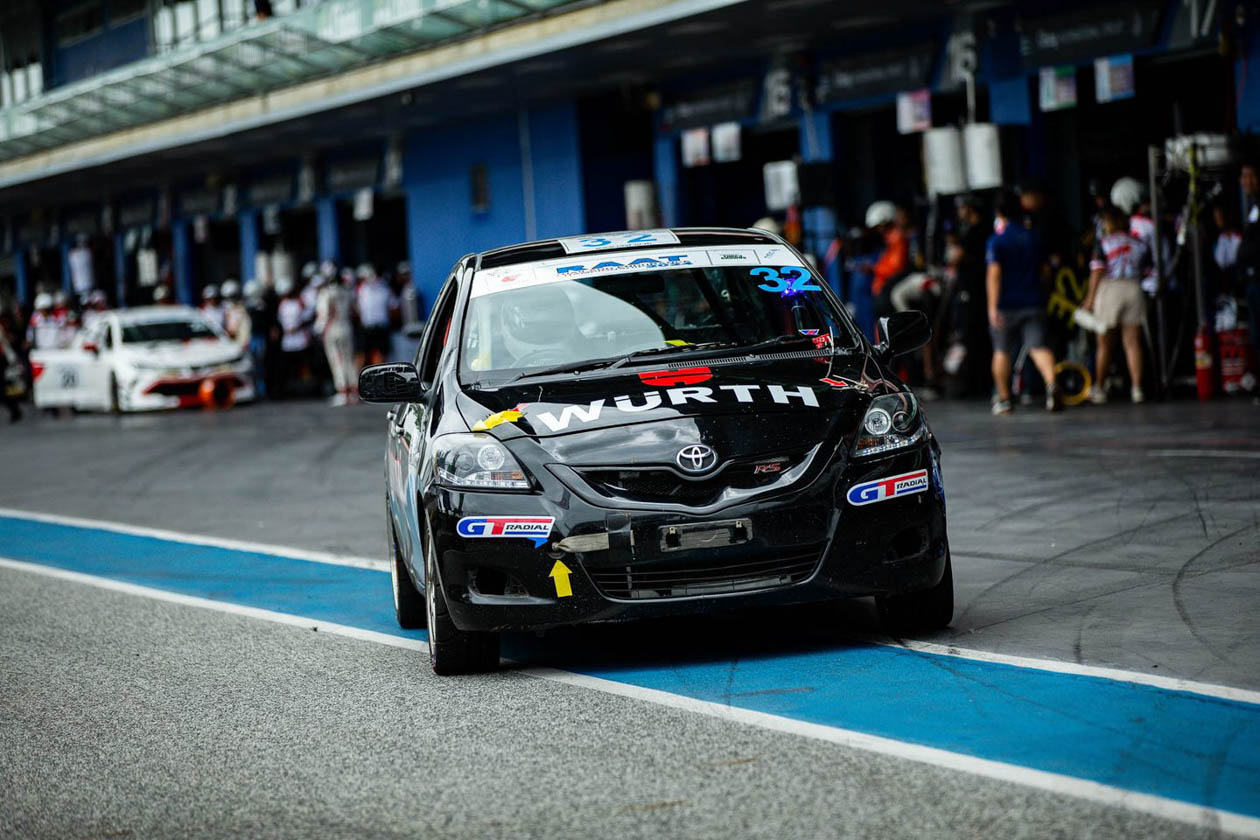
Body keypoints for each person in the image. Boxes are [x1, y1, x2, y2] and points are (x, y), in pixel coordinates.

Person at [985, 193, 1060, 415]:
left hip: (1006, 305)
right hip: (1034, 301)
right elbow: (1045, 271)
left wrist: (992, 307)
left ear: (1000, 213)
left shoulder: (997, 241)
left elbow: (994, 275)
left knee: (1001, 350)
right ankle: (1051, 384)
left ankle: (1004, 400)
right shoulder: (1034, 237)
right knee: (1038, 347)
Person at [1081, 206, 1150, 404]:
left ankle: (1099, 387)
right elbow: (1148, 270)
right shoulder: (1139, 243)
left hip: (1110, 289)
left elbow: (1097, 271)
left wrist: (1089, 299)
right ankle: (1137, 388)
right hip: (1134, 289)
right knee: (1133, 343)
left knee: (1104, 344)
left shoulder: (1104, 243)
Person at [1233, 161, 1260, 403]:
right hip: (1251, 279)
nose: (1245, 182)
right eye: (1243, 176)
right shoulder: (1253, 207)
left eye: (1250, 176)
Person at [314, 268, 357, 406]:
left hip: (333, 329)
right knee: (349, 360)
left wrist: (319, 330)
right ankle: (354, 392)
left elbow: (324, 315)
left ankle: (343, 392)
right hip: (347, 327)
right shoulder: (348, 292)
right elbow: (355, 311)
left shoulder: (326, 293)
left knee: (336, 361)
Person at [274, 276, 309, 399]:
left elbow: (306, 316)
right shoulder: (282, 304)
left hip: (300, 339)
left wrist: (297, 326)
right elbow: (280, 320)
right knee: (288, 366)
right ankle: (291, 390)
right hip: (288, 341)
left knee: (303, 365)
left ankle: (306, 388)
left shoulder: (299, 302)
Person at [356, 264, 396, 365]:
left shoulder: (385, 289)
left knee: (380, 355)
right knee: (362, 355)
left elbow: (393, 307)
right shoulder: (363, 289)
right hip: (367, 327)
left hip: (381, 327)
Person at [221, 280, 251, 352]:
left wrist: (244, 342)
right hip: (228, 342)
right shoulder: (225, 309)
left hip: (240, 342)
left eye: (232, 296)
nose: (230, 300)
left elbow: (245, 328)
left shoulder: (242, 309)